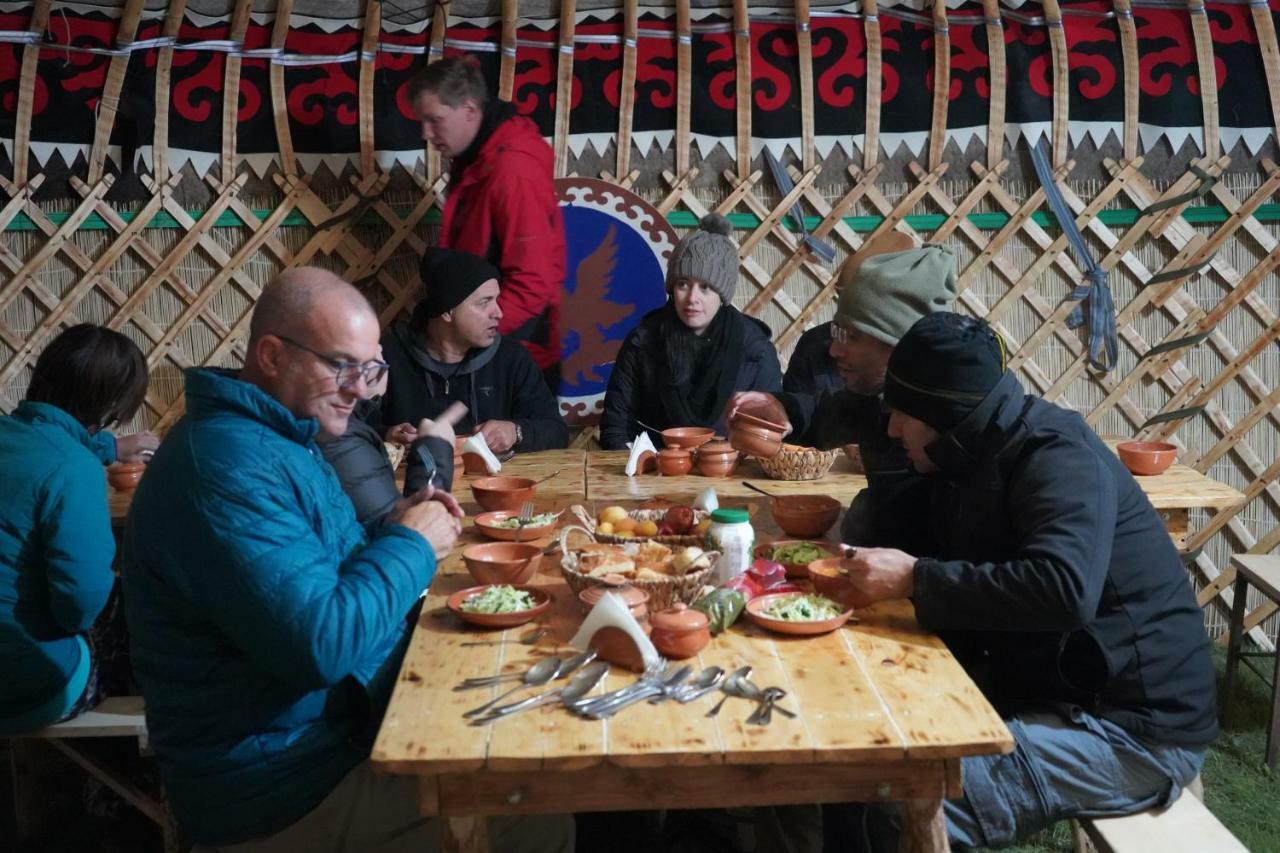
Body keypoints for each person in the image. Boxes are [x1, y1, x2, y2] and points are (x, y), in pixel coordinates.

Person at [123, 268, 572, 852]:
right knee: (535, 819)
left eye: (372, 369)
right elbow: (321, 645)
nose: (362, 389)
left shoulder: (282, 440)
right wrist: (408, 545)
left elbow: (316, 569)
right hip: (279, 789)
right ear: (271, 355)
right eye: (343, 367)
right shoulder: (226, 466)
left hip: (327, 742)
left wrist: (397, 523)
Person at [837, 312, 1217, 850]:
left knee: (898, 798)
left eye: (903, 413)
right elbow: (909, 520)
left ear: (946, 414)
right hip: (1060, 691)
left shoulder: (1054, 455)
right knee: (857, 745)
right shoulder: (973, 451)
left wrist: (916, 580)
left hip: (1133, 730)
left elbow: (1064, 588)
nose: (893, 428)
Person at [726, 242, 956, 547]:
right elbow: (825, 415)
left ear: (896, 343)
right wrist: (780, 407)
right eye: (836, 332)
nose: (833, 350)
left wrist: (866, 519)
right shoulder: (878, 396)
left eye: (851, 336)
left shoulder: (960, 423)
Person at [0, 324, 148, 733]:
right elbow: (79, 604)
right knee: (132, 609)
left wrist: (111, 448)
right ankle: (119, 783)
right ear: (109, 406)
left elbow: (45, 437)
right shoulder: (71, 468)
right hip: (27, 686)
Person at [410, 57, 566, 393]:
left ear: (468, 109)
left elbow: (533, 281)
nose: (426, 133)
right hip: (482, 349)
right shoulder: (474, 159)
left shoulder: (512, 170)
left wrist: (463, 338)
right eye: (422, 122)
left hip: (514, 356)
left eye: (435, 120)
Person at [598, 214, 782, 449]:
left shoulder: (754, 348)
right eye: (683, 284)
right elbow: (616, 427)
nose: (692, 298)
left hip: (729, 472)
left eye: (705, 288)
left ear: (722, 294)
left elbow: (768, 432)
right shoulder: (644, 341)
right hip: (654, 471)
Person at [373, 248, 569, 461]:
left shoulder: (511, 360)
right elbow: (343, 432)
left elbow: (556, 431)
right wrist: (387, 436)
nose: (498, 312)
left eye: (496, 300)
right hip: (415, 489)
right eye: (484, 302)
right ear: (447, 311)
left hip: (494, 488)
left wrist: (516, 432)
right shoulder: (387, 358)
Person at [321, 340, 465, 527]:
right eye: (371, 356)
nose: (381, 356)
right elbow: (412, 530)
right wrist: (434, 448)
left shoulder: (346, 425)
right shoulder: (336, 434)